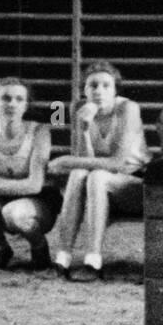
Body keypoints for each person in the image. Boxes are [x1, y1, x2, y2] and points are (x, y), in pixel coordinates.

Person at [49, 61, 149, 282]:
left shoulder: (128, 108)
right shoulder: (78, 108)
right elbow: (84, 161)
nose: (99, 91)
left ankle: (93, 261)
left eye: (106, 85)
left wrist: (66, 159)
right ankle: (63, 257)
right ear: (84, 89)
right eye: (93, 85)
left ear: (115, 90)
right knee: (79, 174)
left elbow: (117, 164)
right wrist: (84, 129)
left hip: (133, 184)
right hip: (97, 191)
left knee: (96, 175)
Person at [0, 77, 58, 270]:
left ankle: (39, 247)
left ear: (26, 105)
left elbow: (34, 186)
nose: (12, 104)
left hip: (37, 203)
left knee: (15, 213)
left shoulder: (40, 131)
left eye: (19, 99)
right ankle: (3, 248)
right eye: (6, 98)